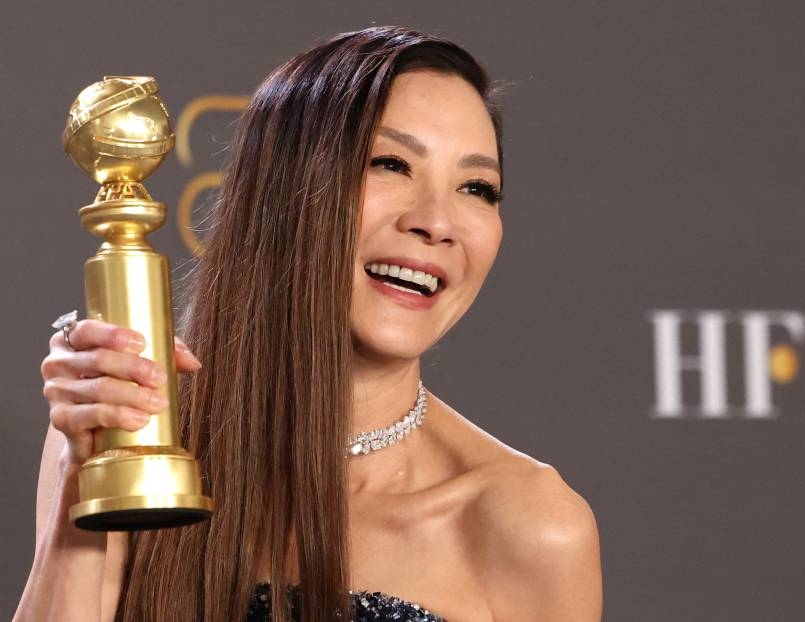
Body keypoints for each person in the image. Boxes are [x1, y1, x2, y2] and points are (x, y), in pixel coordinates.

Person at [15, 25, 602, 622]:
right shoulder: (133, 435)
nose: (438, 222)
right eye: (391, 164)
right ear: (284, 189)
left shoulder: (531, 525)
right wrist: (81, 484)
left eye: (477, 187)